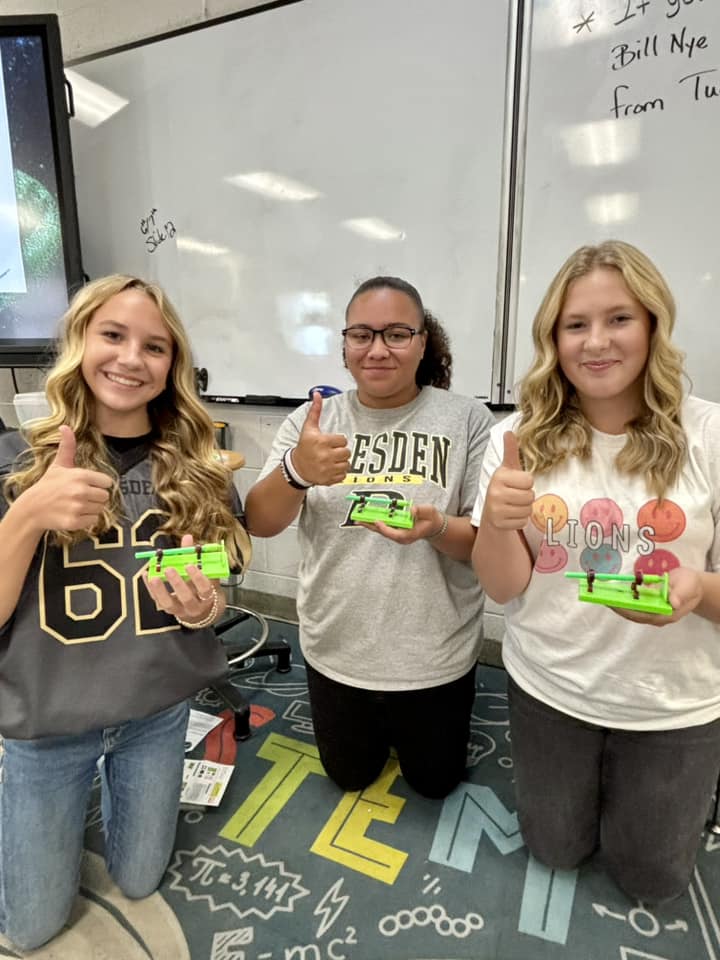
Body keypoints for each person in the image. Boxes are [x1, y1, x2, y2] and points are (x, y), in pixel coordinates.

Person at [0, 275, 251, 951]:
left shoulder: (199, 464)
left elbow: (215, 591)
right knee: (29, 930)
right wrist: (27, 516)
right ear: (80, 341)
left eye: (155, 346)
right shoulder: (14, 460)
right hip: (45, 727)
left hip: (155, 713)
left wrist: (203, 611)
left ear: (174, 366)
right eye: (113, 335)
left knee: (141, 879)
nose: (131, 358)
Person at [472, 240, 720, 903]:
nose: (596, 341)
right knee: (553, 849)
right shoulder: (518, 439)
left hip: (673, 706)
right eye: (576, 325)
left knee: (653, 882)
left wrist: (698, 591)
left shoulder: (711, 436)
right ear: (553, 338)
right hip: (551, 686)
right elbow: (502, 587)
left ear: (653, 325)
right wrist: (496, 520)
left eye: (619, 319)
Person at [244, 276, 494, 799]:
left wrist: (436, 528)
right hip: (338, 650)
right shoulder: (313, 423)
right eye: (362, 334)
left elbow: (482, 547)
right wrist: (296, 470)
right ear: (344, 345)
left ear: (423, 342)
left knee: (435, 784)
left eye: (397, 334)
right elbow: (261, 523)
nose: (377, 349)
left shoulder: (467, 420)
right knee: (350, 776)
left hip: (436, 656)